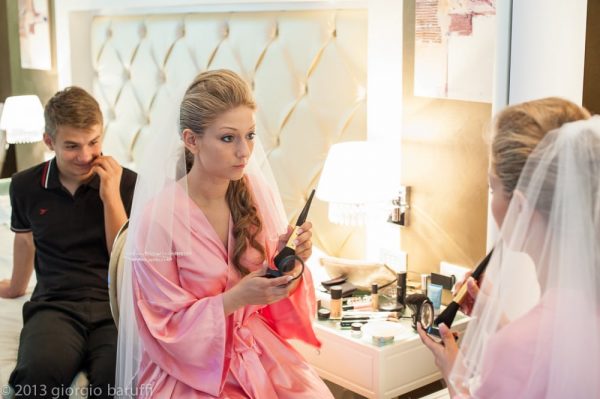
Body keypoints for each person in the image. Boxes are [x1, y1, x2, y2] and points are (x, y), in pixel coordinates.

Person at [116, 69, 333, 398]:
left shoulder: (254, 191)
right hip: (188, 371)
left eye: (250, 135)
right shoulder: (157, 219)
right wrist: (235, 299)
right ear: (192, 140)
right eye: (228, 138)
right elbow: (161, 325)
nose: (244, 152)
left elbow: (273, 295)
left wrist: (292, 261)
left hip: (256, 349)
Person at [418, 97, 600, 398]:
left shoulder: (513, 349)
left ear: (520, 206)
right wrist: (496, 316)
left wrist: (455, 376)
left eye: (493, 187)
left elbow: (530, 359)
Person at [1, 87, 137, 398]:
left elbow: (121, 256)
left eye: (94, 142)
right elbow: (24, 243)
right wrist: (14, 288)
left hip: (114, 304)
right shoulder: (24, 186)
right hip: (55, 304)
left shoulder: (127, 183)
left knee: (119, 382)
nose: (86, 156)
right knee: (36, 378)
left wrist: (110, 195)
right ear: (49, 142)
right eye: (72, 146)